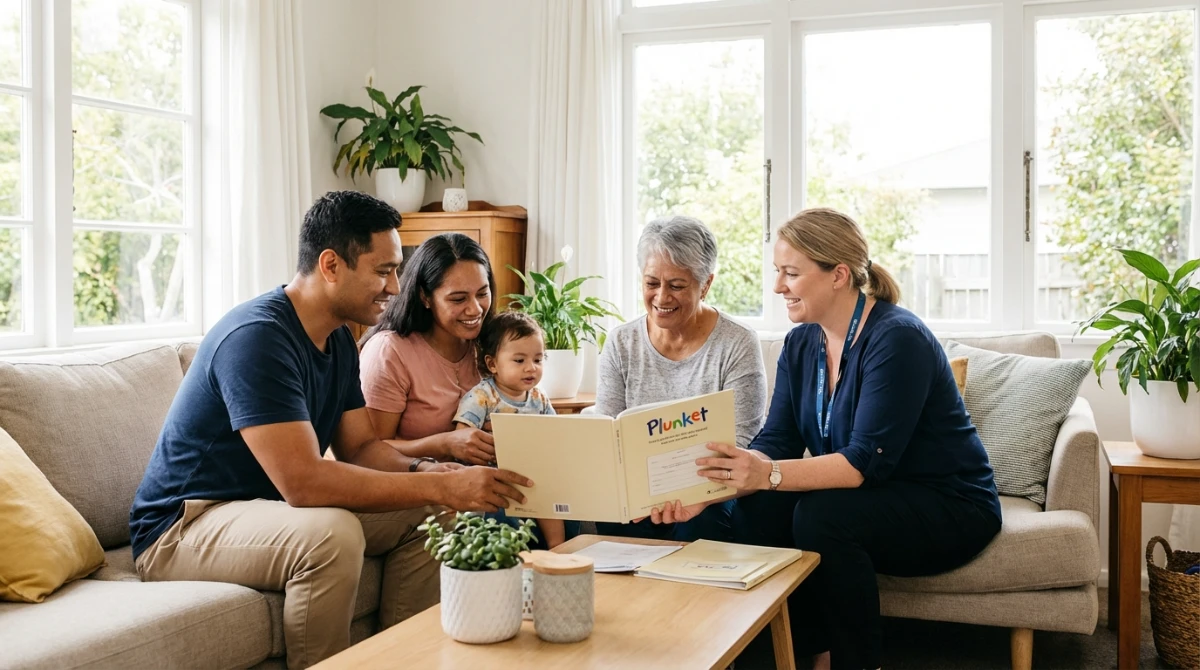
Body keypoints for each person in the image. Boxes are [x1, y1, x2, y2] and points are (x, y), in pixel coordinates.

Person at [129, 191, 533, 670]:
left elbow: (360, 447)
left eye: (397, 269)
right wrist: (443, 480)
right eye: (383, 270)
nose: (395, 285)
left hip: (264, 507)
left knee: (432, 508)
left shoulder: (339, 337)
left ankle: (404, 661)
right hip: (184, 524)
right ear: (330, 265)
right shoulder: (258, 339)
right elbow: (304, 483)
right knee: (332, 533)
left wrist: (428, 471)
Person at [653, 208, 1002, 670]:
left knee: (821, 515)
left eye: (790, 273)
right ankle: (783, 655)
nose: (778, 286)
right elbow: (775, 440)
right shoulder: (801, 344)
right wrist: (714, 489)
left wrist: (766, 474)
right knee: (755, 505)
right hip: (876, 496)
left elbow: (861, 464)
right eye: (778, 271)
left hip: (950, 504)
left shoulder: (898, 339)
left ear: (838, 275)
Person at [593, 215, 768, 542]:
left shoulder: (737, 342)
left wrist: (694, 494)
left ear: (706, 284)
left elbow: (744, 441)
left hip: (710, 491)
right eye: (651, 283)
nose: (661, 298)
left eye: (676, 285)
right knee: (615, 517)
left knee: (701, 525)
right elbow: (608, 429)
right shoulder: (621, 342)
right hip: (640, 491)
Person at [357, 233, 499, 467]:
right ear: (425, 297)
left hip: (481, 488)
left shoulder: (493, 345)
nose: (475, 309)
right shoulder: (391, 352)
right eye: (458, 299)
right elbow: (366, 452)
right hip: (415, 493)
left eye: (482, 294)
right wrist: (446, 443)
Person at [453, 310, 578, 549]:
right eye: (519, 361)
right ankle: (517, 559)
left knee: (556, 504)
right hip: (494, 480)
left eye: (538, 360)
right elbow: (462, 441)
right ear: (492, 364)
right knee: (500, 517)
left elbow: (556, 433)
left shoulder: (539, 398)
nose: (531, 368)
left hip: (533, 478)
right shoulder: (482, 397)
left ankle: (557, 551)